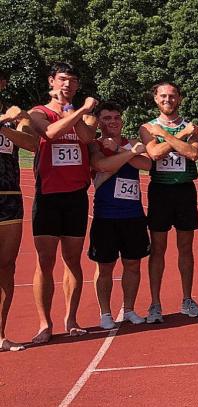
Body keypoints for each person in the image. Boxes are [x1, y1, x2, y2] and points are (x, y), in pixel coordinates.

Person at [27, 62, 98, 343]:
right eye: (62, 80)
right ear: (52, 82)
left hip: (76, 196)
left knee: (72, 260)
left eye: (72, 81)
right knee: (45, 261)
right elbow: (51, 133)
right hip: (48, 195)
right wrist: (80, 109)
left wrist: (76, 113)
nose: (67, 85)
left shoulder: (85, 119)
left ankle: (71, 317)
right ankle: (45, 323)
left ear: (77, 86)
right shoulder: (38, 112)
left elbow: (87, 137)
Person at [139, 81, 198, 322]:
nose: (168, 99)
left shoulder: (192, 127)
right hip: (160, 192)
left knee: (186, 247)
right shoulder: (147, 127)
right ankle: (155, 304)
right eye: (163, 96)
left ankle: (187, 299)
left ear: (180, 98)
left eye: (172, 96)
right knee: (158, 248)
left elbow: (194, 154)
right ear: (156, 99)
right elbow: (154, 154)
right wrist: (180, 138)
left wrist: (168, 135)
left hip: (185, 191)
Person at [88, 102, 152, 330]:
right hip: (106, 215)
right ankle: (105, 313)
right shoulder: (94, 144)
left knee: (133, 264)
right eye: (106, 118)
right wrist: (129, 155)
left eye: (116, 117)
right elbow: (100, 165)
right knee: (104, 267)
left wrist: (119, 150)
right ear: (99, 121)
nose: (113, 121)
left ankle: (129, 309)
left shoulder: (132, 142)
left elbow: (146, 164)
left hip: (133, 215)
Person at [0, 78, 38, 351]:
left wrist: (6, 124)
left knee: (6, 266)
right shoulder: (9, 116)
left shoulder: (16, 115)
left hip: (10, 198)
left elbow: (31, 144)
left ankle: (1, 334)